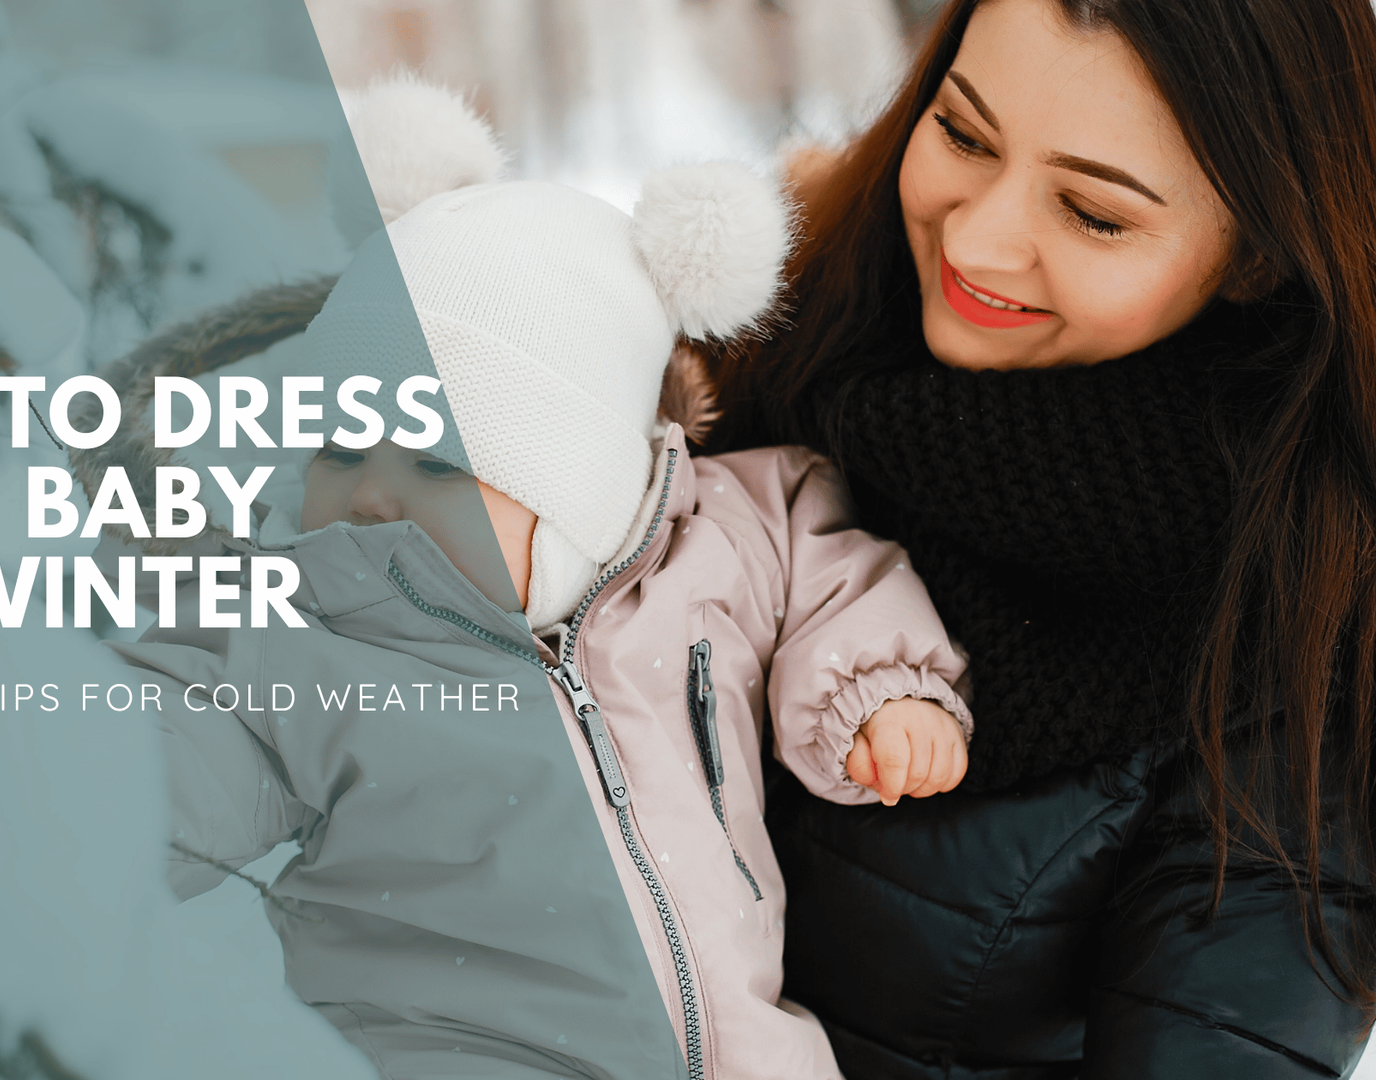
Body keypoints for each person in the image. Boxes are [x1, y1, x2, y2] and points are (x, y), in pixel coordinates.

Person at [703, 0, 1376, 1075]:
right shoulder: (729, 361)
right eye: (962, 134)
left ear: (1255, 257)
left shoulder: (1284, 632)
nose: (978, 238)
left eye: (1094, 213)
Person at [93, 81, 974, 1080]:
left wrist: (876, 690)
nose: (372, 496)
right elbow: (157, 756)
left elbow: (828, 567)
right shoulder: (314, 644)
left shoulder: (716, 542)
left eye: (437, 466)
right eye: (340, 450)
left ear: (586, 482)